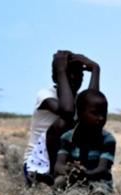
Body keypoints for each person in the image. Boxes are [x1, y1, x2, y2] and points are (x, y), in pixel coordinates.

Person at [23, 50, 100, 186]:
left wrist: (95, 69)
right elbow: (67, 111)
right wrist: (60, 70)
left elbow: (93, 107)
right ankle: (51, 175)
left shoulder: (79, 100)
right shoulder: (46, 95)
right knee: (65, 122)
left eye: (78, 75)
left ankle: (72, 176)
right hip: (38, 164)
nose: (74, 78)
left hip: (66, 163)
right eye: (67, 74)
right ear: (56, 77)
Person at [53, 89, 115, 195]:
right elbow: (58, 166)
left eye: (104, 113)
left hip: (98, 180)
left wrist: (85, 174)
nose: (101, 118)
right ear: (80, 113)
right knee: (59, 182)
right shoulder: (67, 138)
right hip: (74, 179)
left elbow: (102, 169)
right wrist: (69, 170)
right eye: (95, 113)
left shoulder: (107, 139)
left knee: (99, 191)